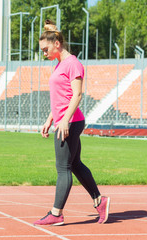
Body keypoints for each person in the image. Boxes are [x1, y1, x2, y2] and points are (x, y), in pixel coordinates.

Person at [33, 20, 110, 226]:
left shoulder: (73, 63)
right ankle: (99, 201)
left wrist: (64, 120)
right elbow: (61, 97)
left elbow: (77, 95)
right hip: (63, 121)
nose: (44, 53)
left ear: (56, 43)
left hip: (71, 122)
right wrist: (50, 118)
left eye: (45, 49)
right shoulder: (59, 65)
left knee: (63, 168)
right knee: (75, 164)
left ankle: (56, 213)